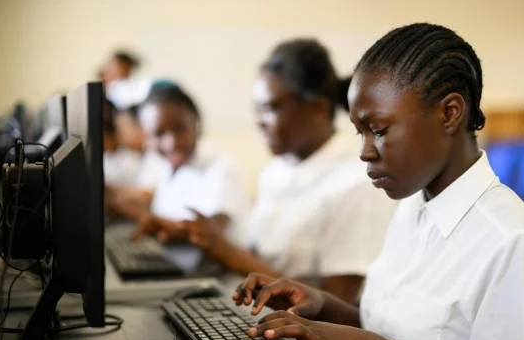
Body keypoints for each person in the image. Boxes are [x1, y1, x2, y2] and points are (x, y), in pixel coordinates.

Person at [232, 23, 524, 340]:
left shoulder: (512, 242)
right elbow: (386, 326)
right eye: (360, 133)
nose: (365, 152)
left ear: (450, 113)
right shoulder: (412, 206)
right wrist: (320, 304)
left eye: (379, 130)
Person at [135, 39, 395, 303]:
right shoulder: (276, 171)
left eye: (270, 108)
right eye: (257, 109)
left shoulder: (357, 183)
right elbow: (257, 258)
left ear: (317, 107)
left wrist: (224, 250)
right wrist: (193, 235)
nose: (259, 121)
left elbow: (338, 304)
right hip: (257, 312)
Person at [129, 84, 250, 246]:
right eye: (159, 133)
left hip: (220, 269)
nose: (171, 142)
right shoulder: (167, 166)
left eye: (180, 129)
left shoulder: (221, 168)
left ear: (197, 125)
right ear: (147, 137)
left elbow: (214, 229)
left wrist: (168, 228)